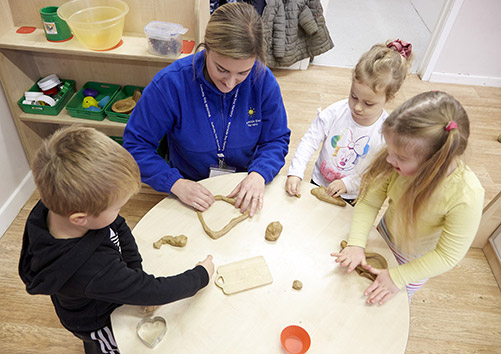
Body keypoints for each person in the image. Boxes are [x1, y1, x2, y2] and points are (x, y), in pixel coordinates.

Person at [19, 126, 214, 354]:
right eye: (118, 207)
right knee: (112, 347)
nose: (120, 212)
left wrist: (134, 271)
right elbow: (152, 291)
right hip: (97, 321)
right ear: (81, 218)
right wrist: (200, 276)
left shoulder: (53, 208)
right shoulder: (93, 270)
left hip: (97, 289)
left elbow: (117, 225)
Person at [123, 2, 290, 217]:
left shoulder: (263, 79)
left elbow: (276, 139)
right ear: (206, 48)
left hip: (242, 186)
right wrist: (175, 183)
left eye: (243, 73)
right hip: (189, 189)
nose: (230, 83)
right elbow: (136, 145)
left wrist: (259, 173)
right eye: (222, 69)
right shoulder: (169, 84)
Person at [331, 91, 484, 305]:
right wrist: (356, 243)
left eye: (400, 157)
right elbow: (370, 201)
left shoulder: (467, 196)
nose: (389, 158)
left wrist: (397, 277)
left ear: (434, 164)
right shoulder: (399, 160)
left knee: (387, 307)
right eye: (390, 149)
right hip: (383, 237)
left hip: (416, 262)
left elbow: (447, 256)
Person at [285, 39, 413, 204]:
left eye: (368, 103)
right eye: (353, 96)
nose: (358, 107)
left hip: (352, 194)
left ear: (389, 98)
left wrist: (348, 183)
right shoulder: (335, 112)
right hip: (319, 181)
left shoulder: (387, 133)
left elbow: (377, 172)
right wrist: (296, 171)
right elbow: (309, 141)